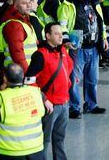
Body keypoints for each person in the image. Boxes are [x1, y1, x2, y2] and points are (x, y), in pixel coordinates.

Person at [57, 0, 108, 119]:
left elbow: (100, 21)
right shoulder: (67, 5)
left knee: (93, 79)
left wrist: (104, 38)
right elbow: (62, 24)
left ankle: (91, 105)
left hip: (94, 46)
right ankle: (74, 107)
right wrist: (66, 40)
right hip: (77, 48)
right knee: (74, 79)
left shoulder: (94, 1)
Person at [25, 23, 73, 160]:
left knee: (59, 139)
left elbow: (69, 67)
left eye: (61, 33)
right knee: (44, 140)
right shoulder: (40, 55)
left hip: (64, 102)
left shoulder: (62, 50)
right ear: (48, 36)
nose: (61, 36)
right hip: (50, 106)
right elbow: (28, 81)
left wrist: (67, 84)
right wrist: (44, 99)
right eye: (56, 33)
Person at [0, 63, 46, 160]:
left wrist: (0, 91)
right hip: (35, 151)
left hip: (5, 152)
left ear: (5, 78)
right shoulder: (37, 93)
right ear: (23, 77)